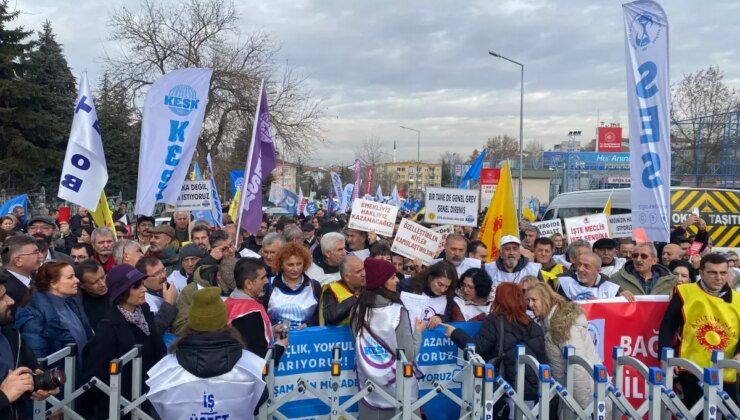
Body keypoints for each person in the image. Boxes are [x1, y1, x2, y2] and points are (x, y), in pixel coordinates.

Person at [147, 288, 267, 420]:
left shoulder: (164, 371)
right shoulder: (250, 366)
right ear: (225, 322)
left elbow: (155, 408)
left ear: (191, 323)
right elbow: (259, 401)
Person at [444, 283, 548, 419]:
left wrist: (455, 333)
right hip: (530, 388)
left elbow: (478, 348)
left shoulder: (494, 320)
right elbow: (542, 359)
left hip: (503, 387)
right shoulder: (533, 325)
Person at [83, 264, 166, 419]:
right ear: (122, 293)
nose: (144, 289)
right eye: (136, 287)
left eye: (142, 284)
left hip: (149, 396)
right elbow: (97, 373)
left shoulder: (145, 310)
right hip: (123, 406)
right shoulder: (108, 326)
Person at [658, 253, 740, 409]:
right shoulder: (684, 292)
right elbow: (668, 326)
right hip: (691, 366)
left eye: (723, 273)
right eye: (712, 272)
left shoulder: (738, 299)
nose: (718, 277)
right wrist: (666, 357)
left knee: (729, 412)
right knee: (695, 411)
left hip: (727, 369)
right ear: (701, 272)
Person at [350, 258, 424, 419]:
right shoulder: (397, 312)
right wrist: (418, 332)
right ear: (381, 282)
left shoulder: (357, 309)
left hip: (369, 383)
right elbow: (409, 355)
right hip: (398, 385)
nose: (397, 279)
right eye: (392, 277)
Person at [525, 282, 608, 416]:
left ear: (546, 298)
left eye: (534, 300)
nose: (530, 305)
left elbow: (577, 367)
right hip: (569, 396)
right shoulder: (549, 322)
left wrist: (584, 409)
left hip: (584, 398)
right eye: (528, 300)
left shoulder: (564, 325)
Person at [0, 275, 60, 419]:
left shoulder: (10, 332)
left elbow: (28, 367)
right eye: (1, 298)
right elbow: (7, 393)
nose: (10, 301)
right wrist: (3, 397)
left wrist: (37, 384)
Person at [15, 261, 93, 361]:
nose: (77, 280)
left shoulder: (70, 303)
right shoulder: (34, 315)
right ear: (53, 284)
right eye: (70, 277)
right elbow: (39, 358)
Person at [226, 258, 289, 359]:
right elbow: (260, 356)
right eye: (262, 278)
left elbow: (248, 336)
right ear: (248, 284)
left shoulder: (230, 302)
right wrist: (280, 345)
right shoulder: (250, 313)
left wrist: (271, 330)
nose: (266, 281)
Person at [173, 256, 237, 336]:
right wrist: (209, 323)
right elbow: (179, 327)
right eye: (228, 286)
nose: (232, 291)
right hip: (203, 343)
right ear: (219, 276)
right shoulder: (191, 291)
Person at [265, 242, 322, 328]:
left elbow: (321, 314)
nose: (295, 269)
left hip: (306, 338)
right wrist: (273, 327)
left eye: (299, 264)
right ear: (281, 265)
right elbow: (261, 314)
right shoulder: (269, 284)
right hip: (276, 338)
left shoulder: (314, 286)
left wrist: (308, 325)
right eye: (290, 264)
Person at [610, 242, 676, 300]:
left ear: (654, 260)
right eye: (635, 255)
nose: (638, 259)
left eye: (644, 256)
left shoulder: (671, 280)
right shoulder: (616, 279)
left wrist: (675, 296)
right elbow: (608, 304)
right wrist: (618, 296)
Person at [405, 261, 457, 329]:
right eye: (440, 284)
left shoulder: (449, 297)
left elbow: (448, 317)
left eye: (446, 286)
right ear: (430, 278)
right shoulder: (410, 286)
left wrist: (440, 318)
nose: (442, 290)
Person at [556, 252, 622, 301]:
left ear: (598, 271)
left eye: (586, 266)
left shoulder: (611, 289)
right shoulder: (565, 283)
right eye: (579, 264)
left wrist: (599, 305)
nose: (580, 269)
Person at [320, 255, 366, 326]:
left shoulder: (370, 286)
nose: (364, 274)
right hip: (342, 335)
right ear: (346, 277)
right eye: (358, 271)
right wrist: (356, 298)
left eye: (364, 269)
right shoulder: (332, 290)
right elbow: (330, 316)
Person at [0, 235, 43, 304]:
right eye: (36, 252)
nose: (41, 256)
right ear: (18, 261)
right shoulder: (6, 290)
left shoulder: (36, 279)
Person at [135, 257, 178, 325]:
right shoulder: (141, 302)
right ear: (143, 279)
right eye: (157, 274)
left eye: (163, 270)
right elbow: (154, 330)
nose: (163, 276)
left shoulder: (172, 285)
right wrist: (168, 304)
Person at [74, 259, 110, 331]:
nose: (102, 284)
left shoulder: (117, 293)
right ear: (81, 285)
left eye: (103, 277)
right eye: (95, 282)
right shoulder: (78, 306)